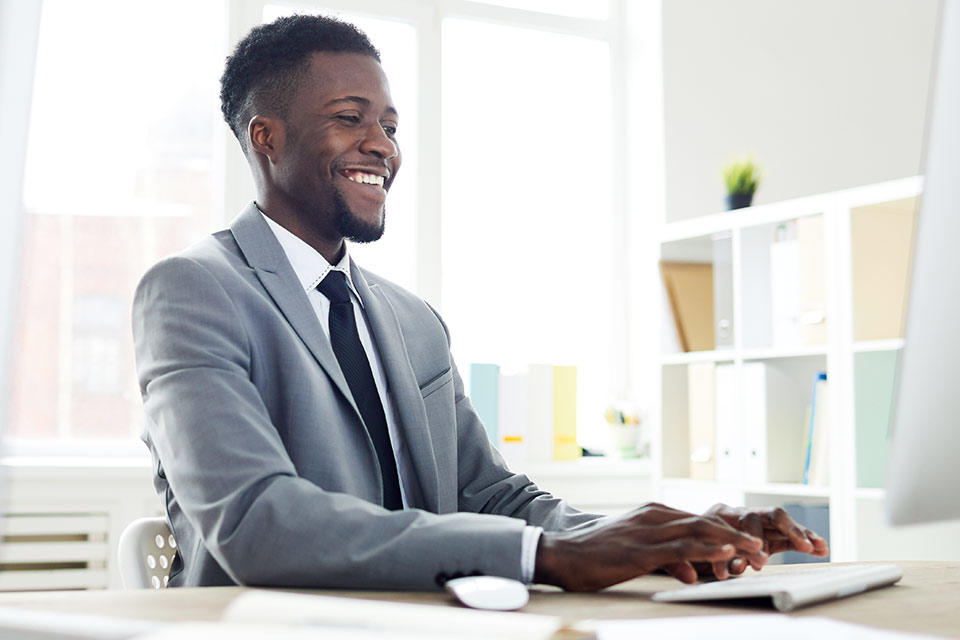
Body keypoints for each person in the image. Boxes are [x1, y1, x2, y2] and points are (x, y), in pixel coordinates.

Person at [132, 14, 828, 591]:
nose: (383, 146)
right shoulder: (194, 292)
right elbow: (258, 525)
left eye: (391, 126)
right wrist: (542, 556)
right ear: (266, 136)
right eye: (351, 119)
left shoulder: (412, 322)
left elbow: (492, 497)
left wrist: (666, 535)